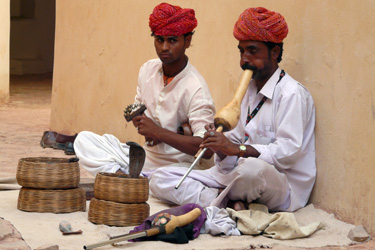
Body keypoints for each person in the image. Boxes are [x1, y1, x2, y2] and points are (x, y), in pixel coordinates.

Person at [149, 7, 316, 212]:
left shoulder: (291, 93)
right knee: (159, 178)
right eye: (241, 51)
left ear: (275, 52)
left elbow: (288, 152)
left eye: (252, 51)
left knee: (252, 170)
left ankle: (223, 200)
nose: (244, 59)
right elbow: (235, 141)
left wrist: (237, 150)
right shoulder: (248, 88)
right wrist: (220, 145)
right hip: (236, 176)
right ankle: (227, 202)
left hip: (278, 183)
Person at [73, 2, 215, 176]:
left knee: (166, 181)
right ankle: (124, 178)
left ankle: (137, 181)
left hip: (176, 168)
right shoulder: (147, 70)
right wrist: (139, 120)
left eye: (172, 40)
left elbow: (207, 150)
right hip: (145, 159)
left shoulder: (196, 88)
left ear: (188, 41)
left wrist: (158, 132)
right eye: (159, 40)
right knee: (84, 140)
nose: (164, 47)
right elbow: (138, 108)